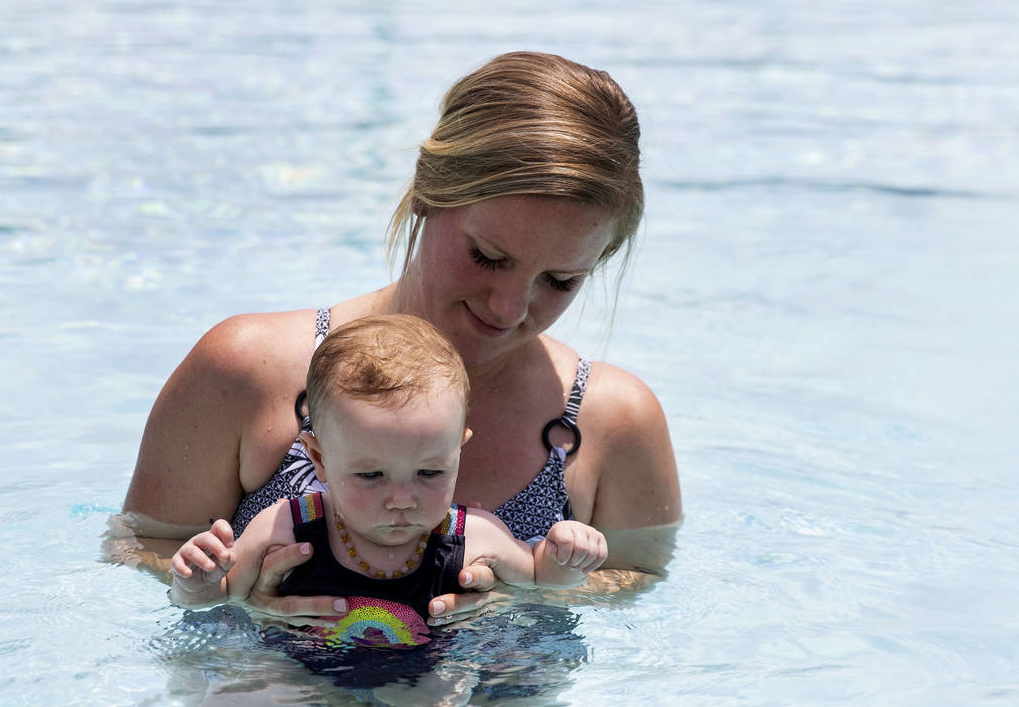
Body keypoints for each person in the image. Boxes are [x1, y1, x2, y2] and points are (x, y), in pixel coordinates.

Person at [121, 50, 681, 620]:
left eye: (560, 280)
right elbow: (134, 551)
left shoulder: (611, 421)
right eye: (487, 257)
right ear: (425, 193)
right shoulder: (246, 369)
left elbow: (643, 583)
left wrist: (522, 591)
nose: (510, 308)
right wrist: (239, 596)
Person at [169, 315, 608, 645]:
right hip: (298, 676)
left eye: (430, 473)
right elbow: (223, 596)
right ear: (318, 458)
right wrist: (198, 581)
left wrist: (566, 554)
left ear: (459, 451)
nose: (402, 499)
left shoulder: (474, 537)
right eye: (371, 475)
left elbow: (538, 579)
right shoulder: (285, 527)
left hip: (427, 678)